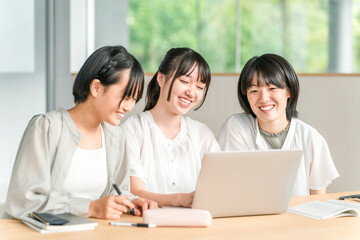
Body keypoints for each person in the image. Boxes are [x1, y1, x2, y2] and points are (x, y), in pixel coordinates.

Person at [4, 46, 157, 220]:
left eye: (134, 99)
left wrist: (132, 201)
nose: (129, 107)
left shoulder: (116, 136)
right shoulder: (47, 127)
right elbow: (24, 200)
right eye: (125, 97)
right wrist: (90, 208)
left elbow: (116, 192)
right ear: (96, 88)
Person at [217, 53, 339, 196]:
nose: (264, 99)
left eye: (272, 89)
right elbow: (231, 189)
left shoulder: (311, 139)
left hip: (299, 218)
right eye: (254, 91)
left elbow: (317, 201)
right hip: (249, 217)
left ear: (289, 92)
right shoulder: (236, 128)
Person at [122, 47, 220, 207]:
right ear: (161, 79)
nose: (191, 92)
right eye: (184, 81)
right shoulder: (134, 128)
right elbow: (135, 192)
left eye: (200, 87)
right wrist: (179, 200)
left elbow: (219, 187)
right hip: (148, 225)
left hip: (197, 224)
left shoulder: (203, 135)